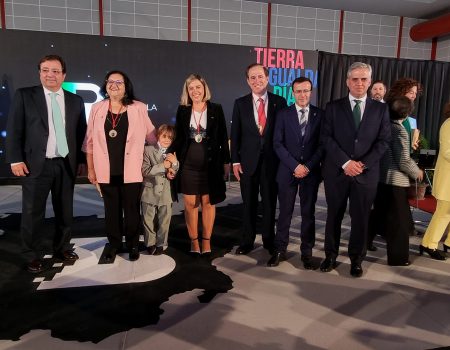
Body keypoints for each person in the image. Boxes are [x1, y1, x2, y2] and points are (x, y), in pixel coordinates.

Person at [5, 54, 87, 273]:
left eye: (55, 71)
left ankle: (61, 247)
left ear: (64, 75)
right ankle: (31, 254)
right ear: (39, 72)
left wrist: (80, 160)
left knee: (65, 210)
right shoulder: (24, 95)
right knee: (32, 212)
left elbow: (80, 134)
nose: (50, 75)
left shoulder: (75, 101)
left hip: (65, 164)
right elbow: (14, 130)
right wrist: (15, 159)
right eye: (45, 70)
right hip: (34, 164)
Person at [320, 62, 391, 277]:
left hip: (366, 174)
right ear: (347, 82)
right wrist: (346, 163)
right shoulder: (333, 107)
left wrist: (362, 164)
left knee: (361, 219)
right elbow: (326, 138)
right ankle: (330, 255)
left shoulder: (381, 109)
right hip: (337, 172)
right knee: (334, 216)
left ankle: (356, 259)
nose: (359, 83)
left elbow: (384, 141)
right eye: (355, 79)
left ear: (370, 82)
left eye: (364, 79)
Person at [83, 70, 156, 263]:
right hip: (105, 169)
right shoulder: (97, 108)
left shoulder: (138, 107)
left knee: (131, 211)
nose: (114, 85)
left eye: (119, 82)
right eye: (110, 81)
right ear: (105, 85)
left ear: (126, 87)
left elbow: (151, 136)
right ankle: (114, 244)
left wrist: (163, 155)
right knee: (111, 211)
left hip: (132, 170)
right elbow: (89, 142)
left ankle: (133, 244)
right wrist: (90, 169)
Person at [230, 63, 287, 255]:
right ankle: (247, 241)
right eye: (252, 78)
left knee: (270, 203)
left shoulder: (280, 102)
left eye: (260, 77)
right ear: (247, 81)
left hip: (272, 163)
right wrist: (235, 161)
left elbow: (284, 135)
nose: (257, 81)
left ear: (268, 78)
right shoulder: (240, 103)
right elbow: (235, 135)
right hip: (247, 164)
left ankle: (269, 240)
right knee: (249, 204)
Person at [267, 77, 324, 269]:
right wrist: (295, 166)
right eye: (298, 91)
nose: (302, 95)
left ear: (311, 91)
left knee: (308, 214)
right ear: (293, 93)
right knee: (285, 213)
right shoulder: (283, 114)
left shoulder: (320, 114)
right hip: (287, 171)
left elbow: (322, 146)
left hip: (311, 172)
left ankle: (306, 253)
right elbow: (277, 143)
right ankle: (279, 250)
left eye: (306, 91)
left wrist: (307, 166)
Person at [171, 74, 230, 255]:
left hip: (210, 165)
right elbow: (179, 138)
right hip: (188, 164)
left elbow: (222, 136)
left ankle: (206, 240)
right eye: (191, 88)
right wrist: (169, 156)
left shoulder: (216, 109)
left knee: (208, 202)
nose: (195, 91)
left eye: (198, 87)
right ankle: (194, 241)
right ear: (187, 92)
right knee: (190, 203)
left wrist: (226, 162)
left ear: (204, 88)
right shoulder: (182, 110)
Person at [369, 97, 424, 266]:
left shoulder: (383, 126)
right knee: (398, 223)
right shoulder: (399, 130)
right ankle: (398, 258)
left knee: (377, 216)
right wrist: (417, 172)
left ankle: (361, 244)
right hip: (395, 181)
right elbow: (403, 161)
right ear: (407, 112)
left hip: (381, 178)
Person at [141, 124, 179, 256]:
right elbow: (145, 171)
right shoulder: (148, 150)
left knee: (164, 221)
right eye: (164, 136)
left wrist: (173, 169)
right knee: (148, 220)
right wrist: (164, 165)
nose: (167, 140)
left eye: (170, 137)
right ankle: (150, 243)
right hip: (149, 192)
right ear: (158, 136)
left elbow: (175, 168)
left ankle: (162, 243)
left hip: (166, 194)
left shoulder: (173, 151)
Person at [420, 102, 450, 260]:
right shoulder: (448, 124)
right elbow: (446, 151)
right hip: (447, 178)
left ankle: (449, 243)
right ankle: (428, 244)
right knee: (443, 213)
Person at [385, 78, 422, 151]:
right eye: (411, 92)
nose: (414, 96)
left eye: (415, 93)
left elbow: (410, 146)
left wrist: (413, 141)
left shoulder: (411, 120)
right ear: (401, 92)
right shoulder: (387, 113)